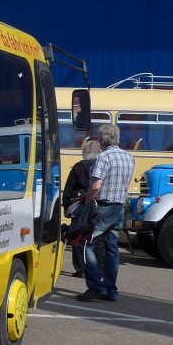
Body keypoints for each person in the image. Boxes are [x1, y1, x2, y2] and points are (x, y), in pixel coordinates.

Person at [77, 124, 134, 301]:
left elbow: (96, 186)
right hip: (118, 208)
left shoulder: (103, 157)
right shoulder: (129, 157)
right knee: (112, 249)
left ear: (101, 139)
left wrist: (85, 203)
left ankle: (96, 286)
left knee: (86, 244)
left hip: (103, 207)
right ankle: (111, 289)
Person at [62, 137, 101, 277]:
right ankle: (96, 267)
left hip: (80, 204)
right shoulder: (100, 165)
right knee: (94, 237)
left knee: (78, 235)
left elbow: (68, 188)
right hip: (97, 204)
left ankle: (80, 268)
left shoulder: (79, 166)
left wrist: (66, 207)